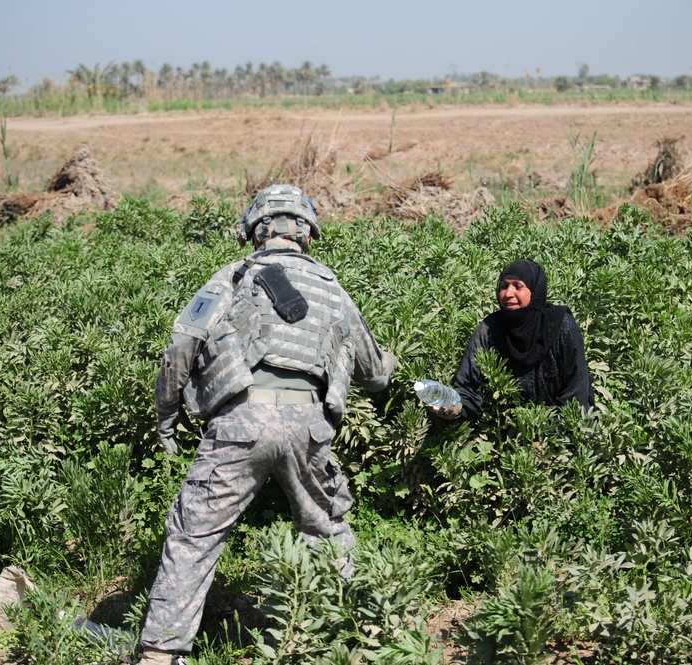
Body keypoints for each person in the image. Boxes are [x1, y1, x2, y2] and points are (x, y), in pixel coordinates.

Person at [138, 184, 396, 664]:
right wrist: (392, 361)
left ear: (256, 230)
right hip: (310, 427)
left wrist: (167, 418)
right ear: (307, 232)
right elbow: (376, 374)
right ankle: (360, 638)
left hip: (240, 423)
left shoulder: (231, 277)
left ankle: (159, 654)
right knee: (327, 530)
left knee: (194, 537)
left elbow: (180, 348)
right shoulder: (332, 287)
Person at [432, 258, 593, 421]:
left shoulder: (561, 326)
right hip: (510, 431)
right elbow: (469, 389)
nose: (508, 294)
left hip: (564, 430)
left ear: (534, 290)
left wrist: (547, 436)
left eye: (518, 286)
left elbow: (576, 393)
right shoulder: (488, 330)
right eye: (504, 286)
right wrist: (453, 407)